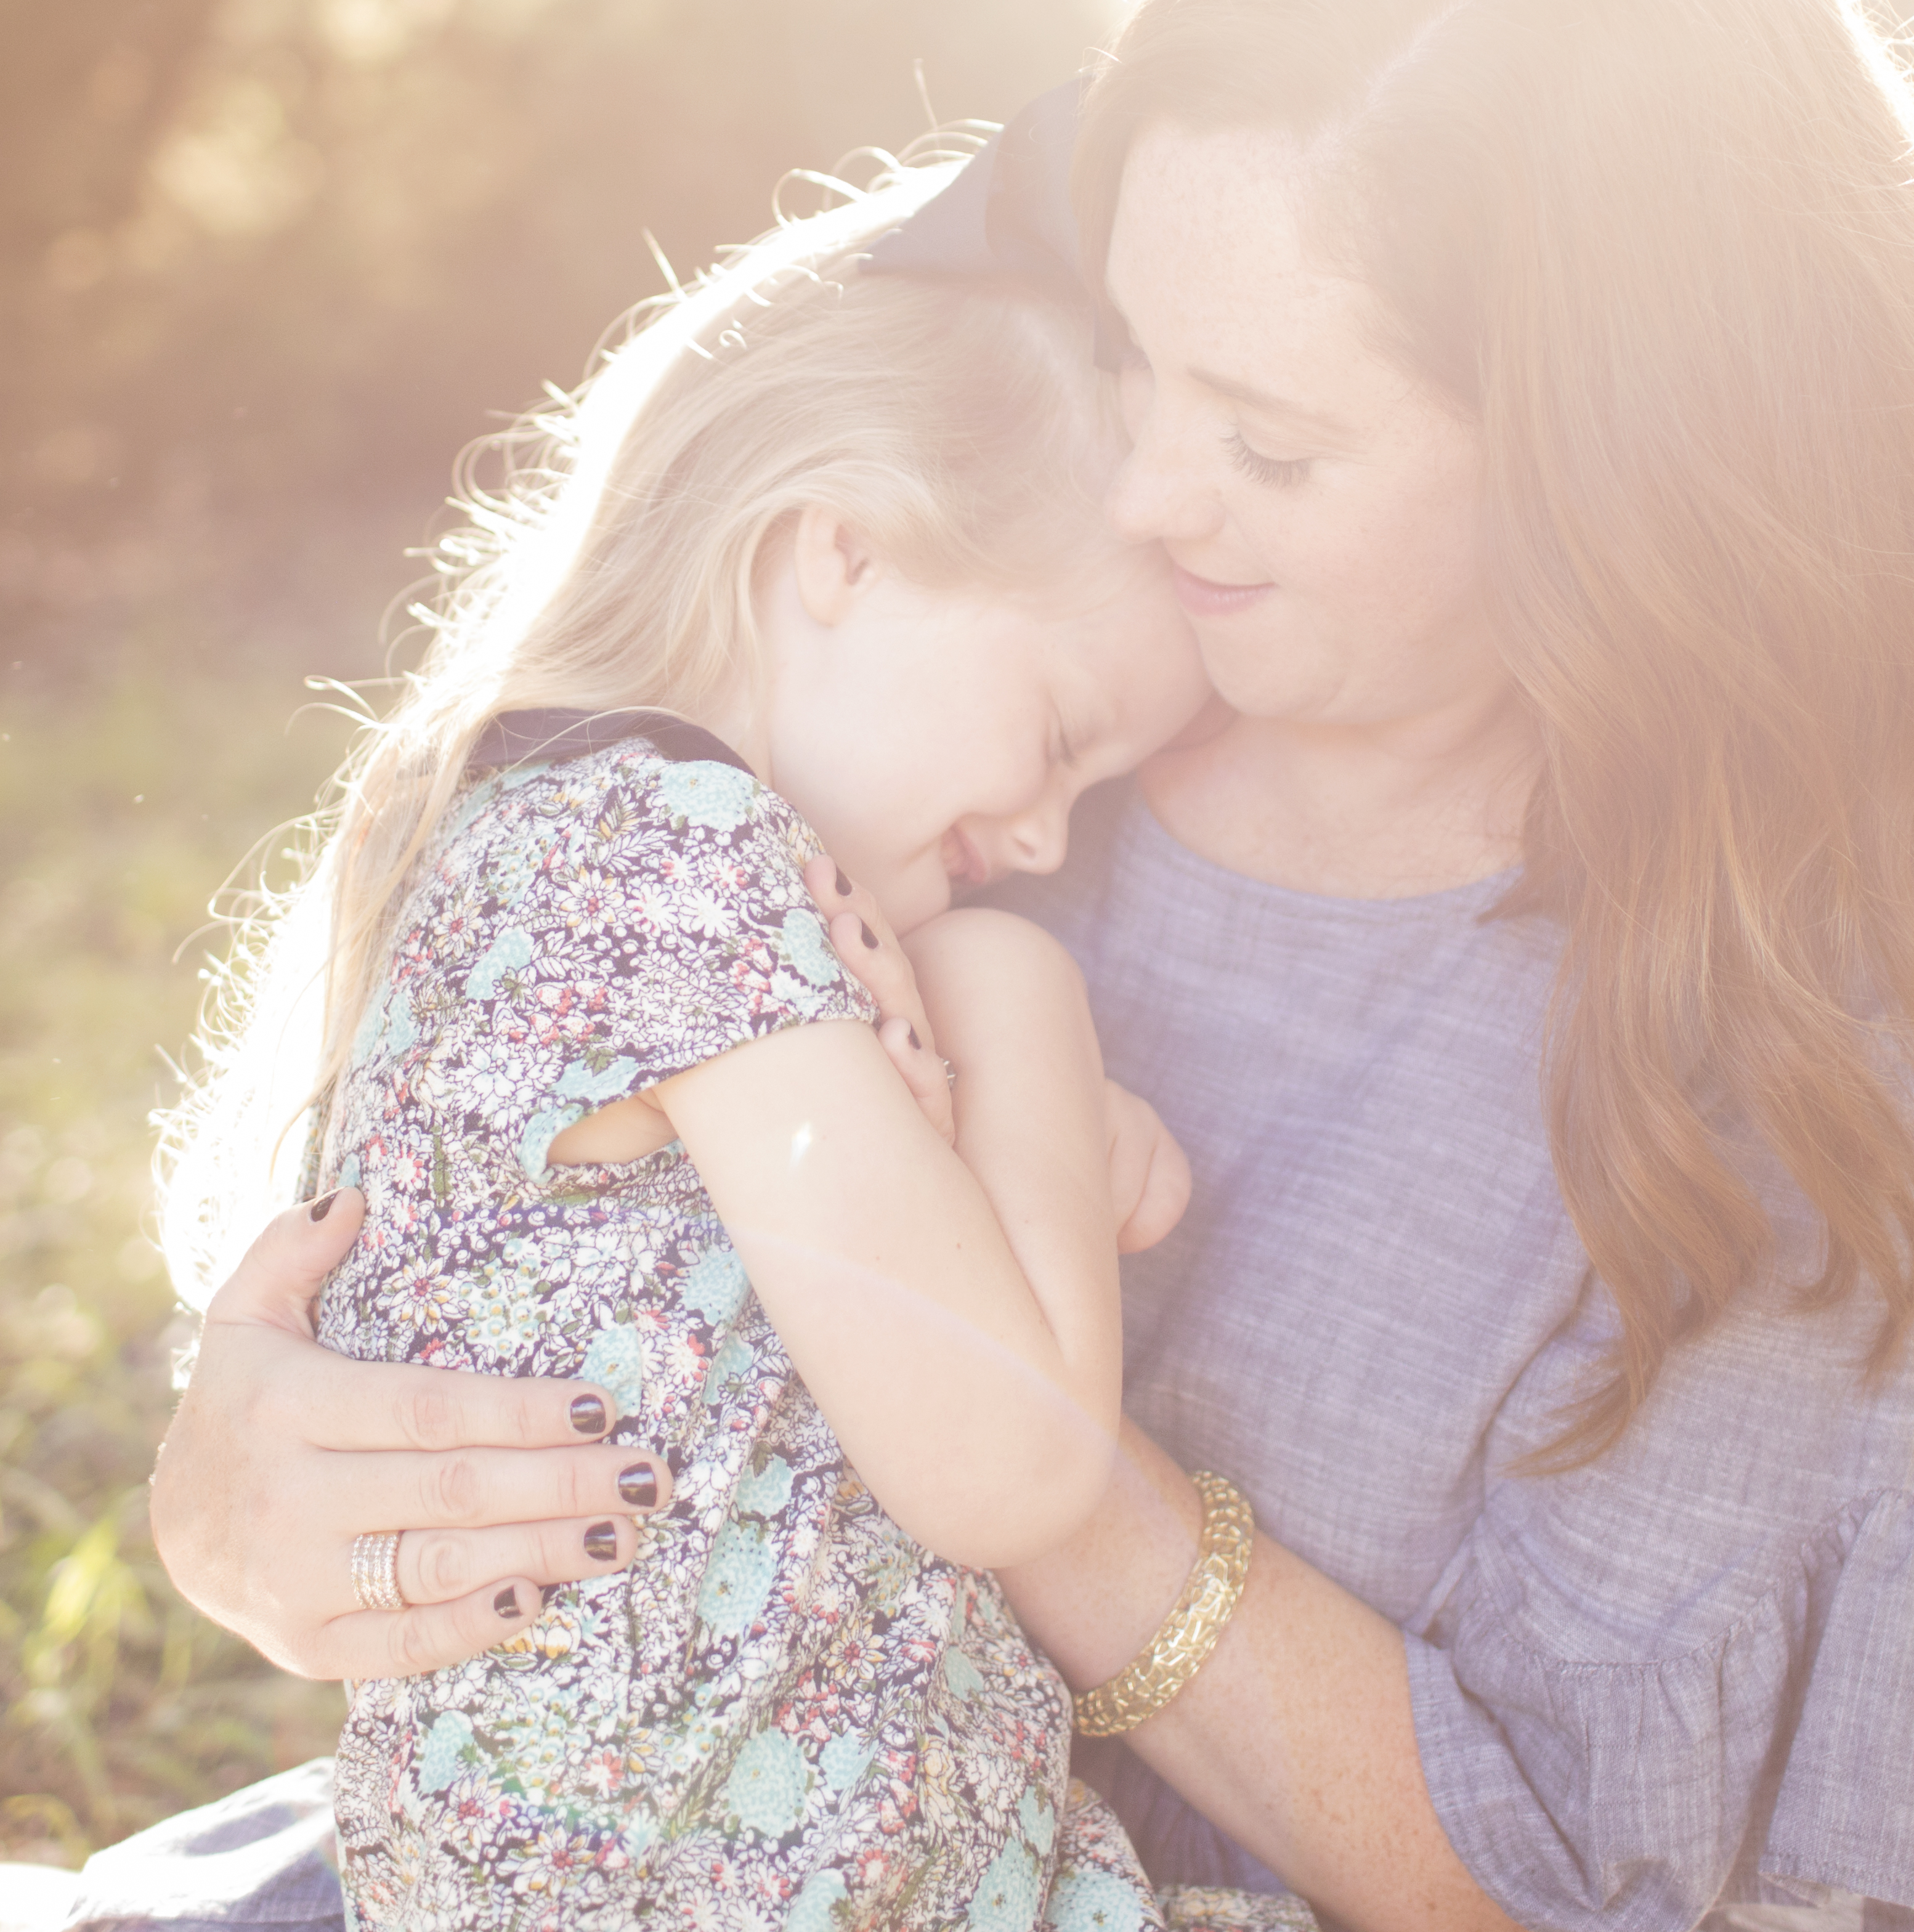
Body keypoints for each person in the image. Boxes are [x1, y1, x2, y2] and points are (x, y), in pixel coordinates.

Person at [100, 0, 1914, 1932]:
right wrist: (253, 1479)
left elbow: (1574, 1887)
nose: (1146, 491)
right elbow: (539, 1203)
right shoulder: (1003, 697)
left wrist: (1030, 1442)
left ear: (1612, 475)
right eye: (1129, 360)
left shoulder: (1788, 1022)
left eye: (1274, 446)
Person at [140, 161, 1311, 1932]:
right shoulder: (673, 845)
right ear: (831, 548)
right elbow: (1007, 1461)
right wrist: (1026, 1025)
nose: (1056, 841)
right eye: (1063, 735)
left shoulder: (533, 836)